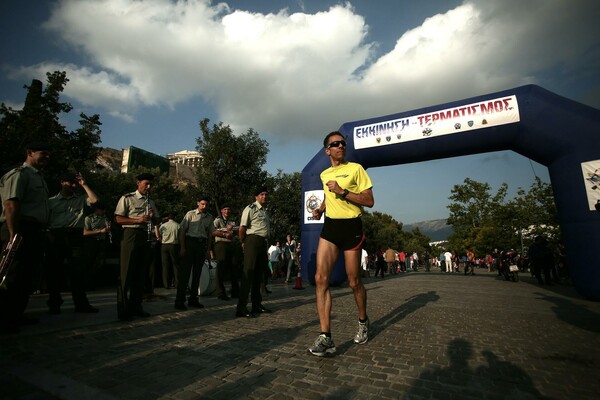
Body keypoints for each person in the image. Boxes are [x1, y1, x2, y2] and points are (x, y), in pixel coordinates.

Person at [308, 131, 375, 357]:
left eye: (343, 144)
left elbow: (369, 201)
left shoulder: (356, 169)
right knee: (320, 279)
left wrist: (343, 191)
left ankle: (363, 321)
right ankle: (326, 336)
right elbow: (329, 196)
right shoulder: (325, 173)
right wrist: (320, 209)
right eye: (335, 144)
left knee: (354, 281)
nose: (340, 147)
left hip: (351, 227)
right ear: (327, 150)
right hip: (331, 228)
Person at [0, 143, 51, 333]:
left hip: (34, 230)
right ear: (29, 153)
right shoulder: (19, 174)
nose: (47, 157)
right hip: (20, 227)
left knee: (26, 276)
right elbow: (11, 204)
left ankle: (16, 315)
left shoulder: (39, 177)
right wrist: (14, 234)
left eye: (49, 155)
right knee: (12, 274)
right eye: (43, 153)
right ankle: (4, 319)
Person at [46, 171, 100, 314]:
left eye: (76, 182)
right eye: (71, 183)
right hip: (56, 236)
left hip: (75, 236)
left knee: (78, 272)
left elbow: (95, 201)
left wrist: (85, 185)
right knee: (54, 271)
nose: (74, 185)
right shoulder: (51, 201)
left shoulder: (81, 199)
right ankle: (54, 303)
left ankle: (81, 304)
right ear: (62, 183)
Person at [114, 173, 160, 320]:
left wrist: (152, 217)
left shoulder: (150, 201)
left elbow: (156, 221)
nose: (149, 187)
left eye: (151, 184)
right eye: (146, 184)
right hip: (130, 234)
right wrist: (138, 220)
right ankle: (123, 310)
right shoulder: (127, 198)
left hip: (144, 237)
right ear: (138, 182)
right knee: (126, 273)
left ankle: (136, 306)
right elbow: (118, 218)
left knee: (140, 274)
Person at [236, 186, 272, 318]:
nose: (264, 197)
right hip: (252, 240)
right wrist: (243, 242)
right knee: (248, 274)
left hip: (262, 242)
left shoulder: (264, 211)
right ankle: (241, 308)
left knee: (259, 276)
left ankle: (256, 304)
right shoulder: (250, 208)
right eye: (262, 194)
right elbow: (242, 228)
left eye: (266, 194)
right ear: (256, 196)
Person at [175, 196, 214, 310]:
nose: (204, 206)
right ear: (198, 203)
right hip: (190, 243)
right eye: (202, 204)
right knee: (185, 273)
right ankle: (180, 300)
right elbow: (182, 231)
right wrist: (182, 247)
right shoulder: (190, 214)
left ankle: (193, 299)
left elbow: (210, 234)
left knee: (197, 274)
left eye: (206, 204)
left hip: (201, 244)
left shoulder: (209, 217)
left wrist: (208, 249)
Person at [212, 204, 240, 300]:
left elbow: (236, 232)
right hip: (221, 244)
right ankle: (220, 292)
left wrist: (235, 231)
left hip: (231, 245)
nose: (227, 211)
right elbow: (213, 231)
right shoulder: (217, 220)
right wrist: (224, 234)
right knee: (220, 268)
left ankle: (235, 291)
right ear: (222, 211)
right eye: (225, 209)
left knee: (234, 267)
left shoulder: (232, 221)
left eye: (228, 209)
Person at [82, 201, 111, 291]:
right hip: (92, 242)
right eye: (102, 210)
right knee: (89, 263)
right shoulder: (89, 218)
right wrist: (100, 231)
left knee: (99, 263)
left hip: (102, 242)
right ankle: (86, 284)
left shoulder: (105, 218)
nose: (104, 212)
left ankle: (93, 282)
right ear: (97, 209)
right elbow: (85, 232)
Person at [158, 213, 180, 289]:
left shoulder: (163, 225)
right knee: (175, 265)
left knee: (165, 265)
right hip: (174, 245)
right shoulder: (177, 225)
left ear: (168, 218)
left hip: (164, 245)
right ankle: (177, 283)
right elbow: (180, 236)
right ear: (175, 218)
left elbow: (159, 234)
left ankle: (166, 284)